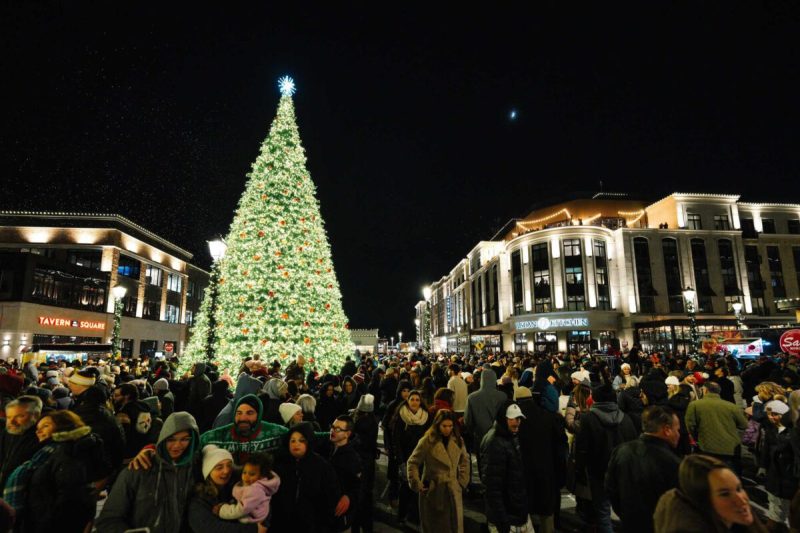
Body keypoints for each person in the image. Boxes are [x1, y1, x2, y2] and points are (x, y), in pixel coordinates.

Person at [96, 411, 201, 533]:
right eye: (171, 439)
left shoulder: (197, 467)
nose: (177, 445)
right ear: (163, 438)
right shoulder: (139, 469)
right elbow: (107, 520)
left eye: (184, 439)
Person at [13, 410, 108, 532]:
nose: (38, 431)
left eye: (45, 426)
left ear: (63, 426)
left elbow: (70, 500)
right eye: (38, 428)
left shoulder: (66, 453)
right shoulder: (46, 453)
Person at [605, 406, 682, 533]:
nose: (679, 434)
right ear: (667, 430)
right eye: (677, 430)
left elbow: (610, 488)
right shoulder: (673, 463)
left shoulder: (621, 451)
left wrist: (625, 513)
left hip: (629, 523)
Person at [574, 383, 638, 533]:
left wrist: (579, 471)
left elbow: (582, 449)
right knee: (625, 510)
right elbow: (634, 444)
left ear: (595, 399)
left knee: (603, 512)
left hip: (598, 472)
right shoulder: (625, 418)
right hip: (623, 472)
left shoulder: (588, 419)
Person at [654, 454, 766, 532]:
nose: (741, 500)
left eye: (738, 489)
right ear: (703, 501)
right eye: (724, 494)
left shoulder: (737, 523)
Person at [270, 422, 342, 532]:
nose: (296, 444)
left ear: (309, 442)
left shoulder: (322, 466)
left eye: (301, 440)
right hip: (281, 525)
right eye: (292, 440)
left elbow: (330, 498)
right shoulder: (279, 464)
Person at [406, 409, 469, 533]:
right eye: (444, 426)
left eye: (450, 426)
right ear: (437, 425)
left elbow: (464, 461)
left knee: (454, 526)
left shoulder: (458, 440)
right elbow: (412, 462)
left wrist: (462, 481)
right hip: (433, 491)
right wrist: (417, 484)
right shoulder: (427, 441)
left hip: (453, 489)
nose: (447, 429)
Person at [517, 385, 566, 533]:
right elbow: (560, 446)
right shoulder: (548, 417)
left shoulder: (516, 422)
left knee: (527, 514)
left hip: (524, 473)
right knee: (546, 513)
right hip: (547, 471)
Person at [187, 444, 265, 533]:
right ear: (208, 472)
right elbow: (209, 528)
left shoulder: (237, 488)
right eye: (219, 467)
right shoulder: (199, 499)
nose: (226, 471)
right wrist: (254, 529)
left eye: (229, 465)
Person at [480, 401, 530, 533]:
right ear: (503, 419)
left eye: (519, 418)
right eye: (512, 418)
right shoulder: (495, 442)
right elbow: (492, 487)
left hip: (515, 512)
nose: (517, 422)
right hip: (506, 518)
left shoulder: (510, 436)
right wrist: (502, 522)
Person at [685, 381, 748, 474]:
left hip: (707, 446)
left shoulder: (695, 405)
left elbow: (690, 425)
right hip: (731, 448)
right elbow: (744, 425)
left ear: (705, 390)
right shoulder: (731, 406)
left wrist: (697, 437)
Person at [391, 389, 431, 525]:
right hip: (406, 457)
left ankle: (415, 516)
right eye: (412, 399)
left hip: (421, 458)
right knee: (405, 488)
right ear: (407, 401)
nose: (414, 402)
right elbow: (396, 440)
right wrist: (401, 461)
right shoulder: (401, 416)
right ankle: (401, 515)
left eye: (417, 400)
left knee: (419, 488)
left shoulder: (426, 417)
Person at [318, 415, 362, 532]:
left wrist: (349, 497)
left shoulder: (353, 458)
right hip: (322, 513)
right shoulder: (326, 448)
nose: (333, 431)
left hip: (339, 518)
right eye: (332, 427)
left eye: (338, 429)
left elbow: (358, 486)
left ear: (347, 434)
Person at [215, 452, 280, 524]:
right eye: (244, 472)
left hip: (250, 519)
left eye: (252, 474)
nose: (246, 477)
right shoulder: (252, 484)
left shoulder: (255, 491)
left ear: (262, 476)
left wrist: (221, 510)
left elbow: (241, 510)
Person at [0, 396, 42, 489]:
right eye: (9, 417)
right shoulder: (7, 432)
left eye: (20, 416)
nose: (12, 422)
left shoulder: (40, 438)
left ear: (36, 415)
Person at [352, 393, 379, 533]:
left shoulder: (358, 421)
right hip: (368, 460)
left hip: (359, 460)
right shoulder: (373, 421)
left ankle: (357, 525)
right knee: (366, 494)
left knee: (358, 495)